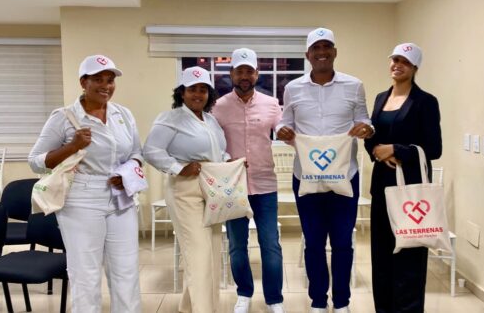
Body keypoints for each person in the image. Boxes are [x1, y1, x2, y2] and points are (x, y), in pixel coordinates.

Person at [29, 55, 143, 313]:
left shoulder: (123, 114)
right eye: (98, 79)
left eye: (110, 80)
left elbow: (137, 152)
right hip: (82, 198)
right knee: (86, 274)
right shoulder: (64, 117)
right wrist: (72, 146)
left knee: (126, 271)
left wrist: (127, 172)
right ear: (83, 82)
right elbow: (35, 162)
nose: (106, 86)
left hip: (121, 196)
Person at [276, 28, 374, 313]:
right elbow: (285, 122)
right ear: (307, 54)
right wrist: (283, 130)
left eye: (326, 47)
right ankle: (318, 301)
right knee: (314, 243)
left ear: (334, 52)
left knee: (343, 243)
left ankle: (342, 302)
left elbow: (365, 119)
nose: (322, 52)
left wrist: (367, 129)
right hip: (306, 177)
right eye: (316, 48)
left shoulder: (354, 85)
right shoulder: (293, 88)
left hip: (345, 177)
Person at [143, 66, 230, 313]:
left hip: (212, 188)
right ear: (182, 92)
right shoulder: (170, 118)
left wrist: (230, 161)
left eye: (203, 89)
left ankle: (190, 307)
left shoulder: (211, 120)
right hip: (185, 190)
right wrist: (178, 168)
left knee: (211, 253)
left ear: (209, 94)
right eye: (192, 89)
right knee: (198, 255)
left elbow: (219, 152)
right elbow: (151, 150)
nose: (198, 94)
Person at [364, 43, 442, 313]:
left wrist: (396, 149)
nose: (397, 65)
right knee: (382, 255)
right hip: (382, 189)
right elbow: (373, 139)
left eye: (405, 62)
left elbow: (434, 149)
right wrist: (376, 149)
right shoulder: (380, 98)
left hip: (411, 193)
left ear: (415, 68)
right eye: (395, 59)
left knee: (409, 258)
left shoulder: (426, 101)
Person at [212, 48, 285, 313]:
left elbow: (284, 131)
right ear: (231, 73)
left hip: (265, 185)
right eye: (239, 71)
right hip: (232, 187)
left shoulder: (271, 104)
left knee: (270, 244)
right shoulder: (218, 107)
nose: (244, 76)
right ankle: (243, 293)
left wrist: (290, 132)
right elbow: (212, 143)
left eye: (249, 71)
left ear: (256, 73)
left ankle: (274, 299)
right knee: (237, 246)